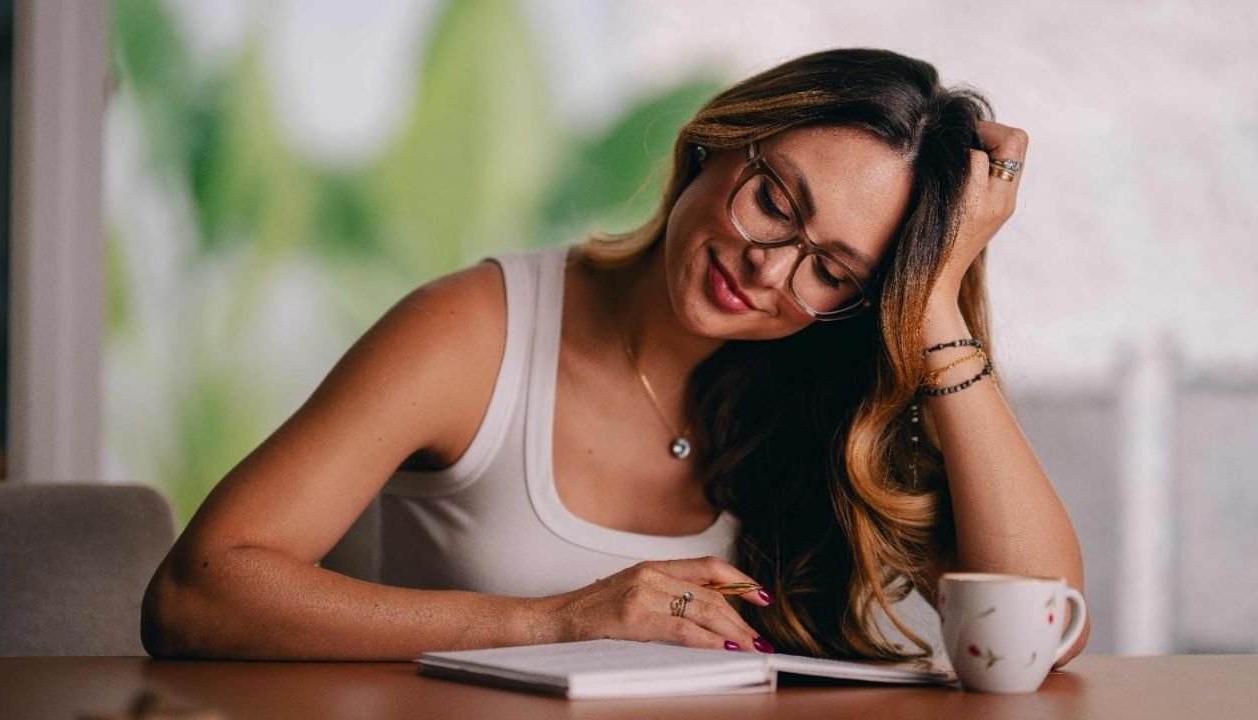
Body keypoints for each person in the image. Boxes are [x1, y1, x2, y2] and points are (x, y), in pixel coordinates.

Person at [141, 47, 1088, 665]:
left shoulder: (819, 389)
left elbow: (1041, 625)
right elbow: (197, 591)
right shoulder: (472, 330)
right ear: (718, 144)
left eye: (831, 269)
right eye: (775, 202)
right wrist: (555, 620)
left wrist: (932, 308)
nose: (767, 267)